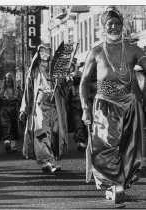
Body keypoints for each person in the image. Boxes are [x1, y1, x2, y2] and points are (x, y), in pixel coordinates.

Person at [79, 7, 146, 206]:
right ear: (103, 27)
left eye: (117, 23)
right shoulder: (96, 51)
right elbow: (83, 83)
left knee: (128, 146)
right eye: (110, 23)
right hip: (104, 105)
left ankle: (119, 184)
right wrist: (84, 108)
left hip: (129, 104)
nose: (114, 26)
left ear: (122, 25)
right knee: (105, 146)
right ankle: (113, 184)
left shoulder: (133, 49)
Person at [19, 44, 68, 173]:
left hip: (55, 105)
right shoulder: (34, 70)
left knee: (55, 133)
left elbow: (64, 90)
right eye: (43, 51)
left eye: (48, 50)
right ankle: (51, 161)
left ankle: (46, 161)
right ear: (39, 53)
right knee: (41, 132)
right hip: (40, 105)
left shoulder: (57, 70)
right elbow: (28, 90)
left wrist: (62, 83)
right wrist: (24, 108)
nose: (45, 53)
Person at [66, 63, 88, 151]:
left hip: (85, 103)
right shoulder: (67, 77)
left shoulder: (80, 75)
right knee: (78, 123)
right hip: (74, 103)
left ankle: (87, 140)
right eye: (69, 67)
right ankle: (80, 141)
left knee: (86, 122)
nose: (70, 69)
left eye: (71, 67)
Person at [0, 71, 22, 152]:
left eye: (9, 81)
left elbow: (21, 99)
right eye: (6, 81)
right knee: (6, 126)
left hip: (14, 109)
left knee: (14, 127)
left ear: (12, 81)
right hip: (5, 110)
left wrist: (16, 98)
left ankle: (13, 146)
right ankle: (7, 142)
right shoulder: (2, 90)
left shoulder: (17, 89)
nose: (8, 82)